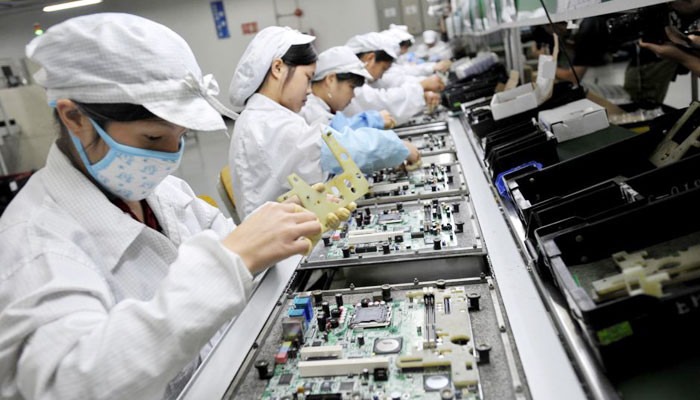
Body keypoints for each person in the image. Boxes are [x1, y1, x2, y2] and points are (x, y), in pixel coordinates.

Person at [0, 13, 323, 400]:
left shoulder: (164, 191)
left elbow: (238, 248)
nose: (171, 156)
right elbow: (74, 383)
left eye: (181, 136)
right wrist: (226, 264)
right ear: (75, 117)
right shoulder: (33, 244)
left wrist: (279, 229)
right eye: (153, 138)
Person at [228, 27, 420, 220]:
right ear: (278, 68)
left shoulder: (266, 116)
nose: (309, 90)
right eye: (307, 78)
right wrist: (398, 147)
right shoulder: (269, 124)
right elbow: (339, 149)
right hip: (284, 235)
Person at [342, 32, 442, 124]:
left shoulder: (361, 79)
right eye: (383, 68)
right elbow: (383, 103)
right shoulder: (349, 82)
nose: (381, 76)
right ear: (370, 58)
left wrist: (420, 92)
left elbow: (388, 88)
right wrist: (420, 87)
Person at [299, 45, 396, 130]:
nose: (353, 95)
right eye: (351, 87)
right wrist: (369, 121)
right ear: (331, 80)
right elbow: (334, 133)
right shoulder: (309, 110)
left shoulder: (322, 108)